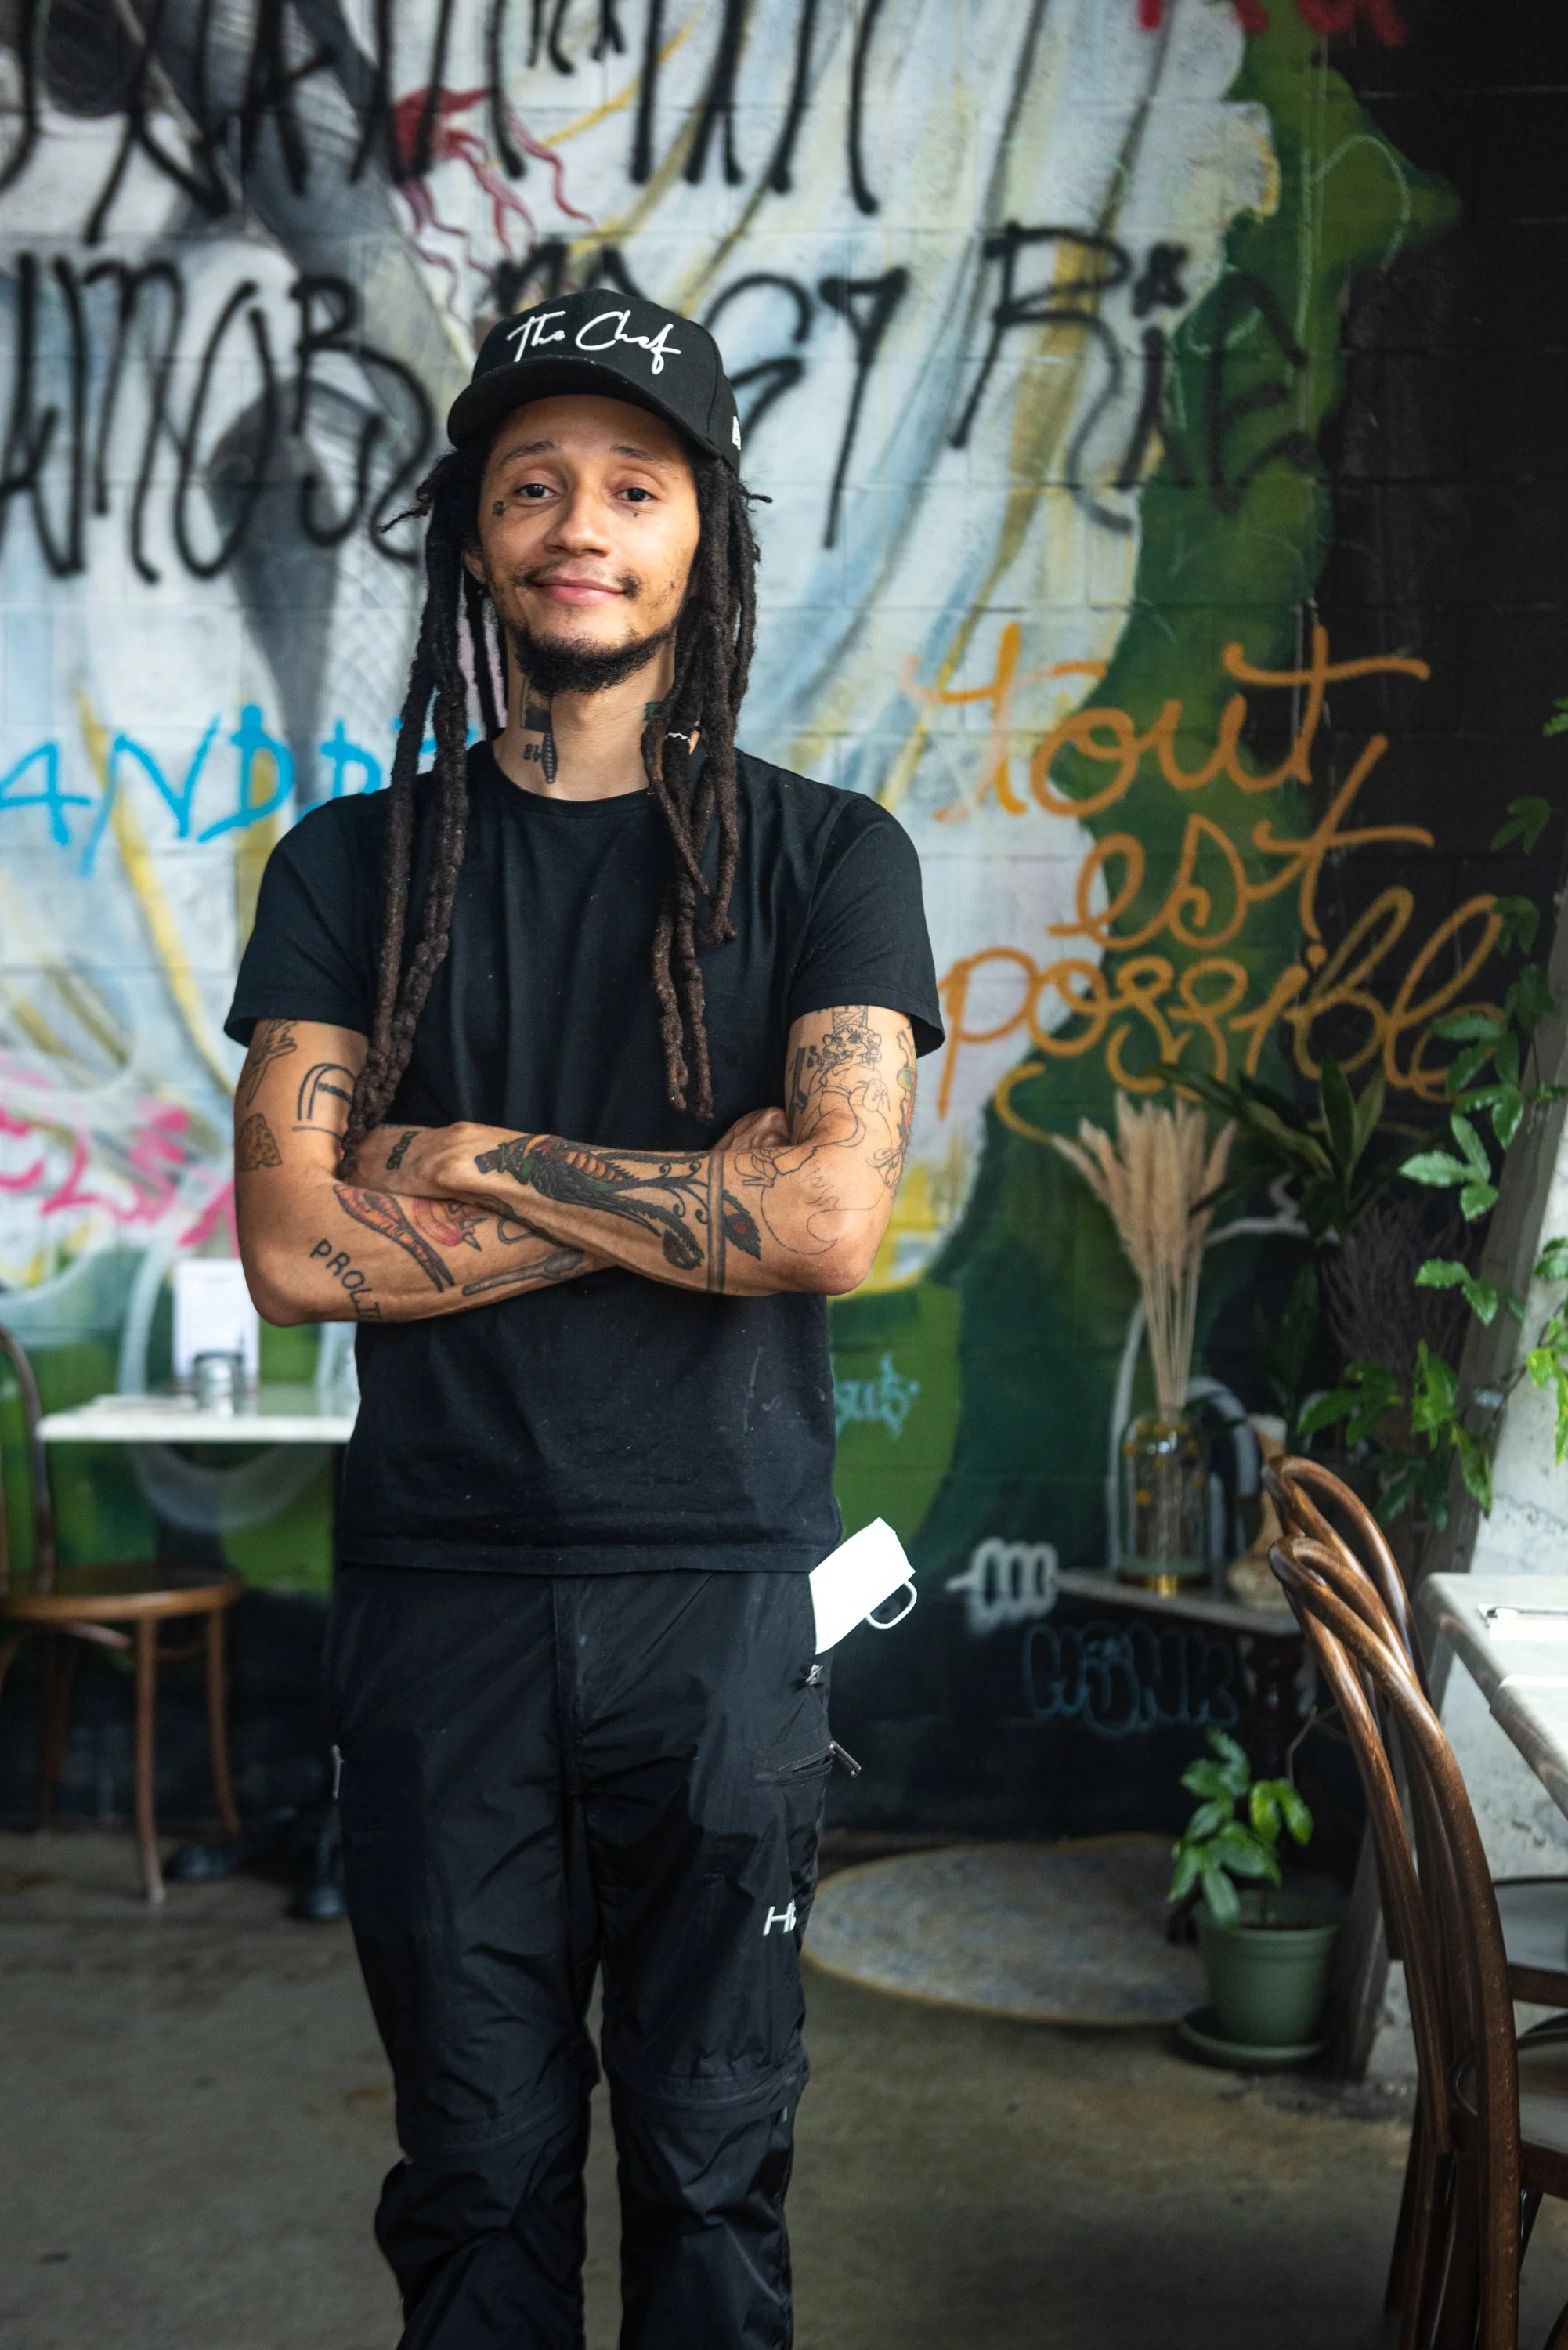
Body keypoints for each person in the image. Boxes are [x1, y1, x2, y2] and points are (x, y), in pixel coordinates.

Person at [226, 289, 943, 2350]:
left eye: (636, 487)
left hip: (719, 1610)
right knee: (474, 2183)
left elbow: (826, 1220)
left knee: (715, 2183)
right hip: (437, 1607)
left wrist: (474, 1161)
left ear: (703, 533)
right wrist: (689, 1199)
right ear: (476, 534)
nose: (581, 527)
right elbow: (297, 1251)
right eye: (534, 485)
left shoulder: (831, 858)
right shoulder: (352, 869)